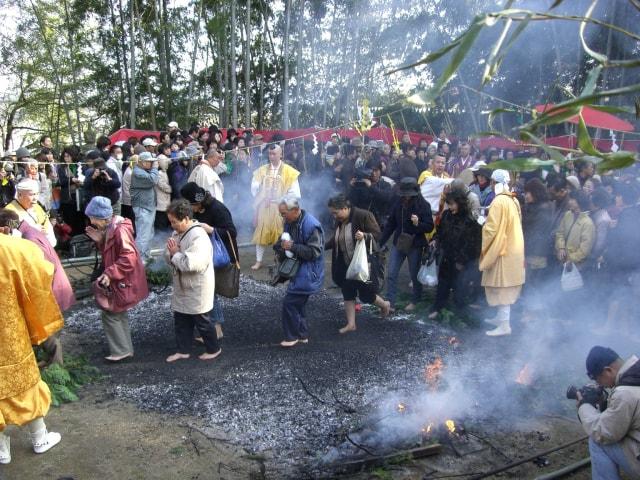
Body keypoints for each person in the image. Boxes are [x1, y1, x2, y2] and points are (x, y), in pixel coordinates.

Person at [0, 229, 64, 464]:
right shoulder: (10, 247)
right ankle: (39, 437)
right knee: (24, 382)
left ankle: (2, 449)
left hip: (8, 331)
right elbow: (41, 269)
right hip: (8, 333)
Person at [85, 196, 149, 363]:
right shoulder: (114, 228)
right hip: (123, 279)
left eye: (93, 218)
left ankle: (121, 351)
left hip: (122, 280)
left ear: (103, 218)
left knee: (111, 312)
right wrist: (101, 241)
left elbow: (129, 257)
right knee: (118, 312)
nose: (92, 222)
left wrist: (110, 273)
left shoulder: (119, 230)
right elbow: (115, 252)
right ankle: (124, 349)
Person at [164, 199, 221, 362]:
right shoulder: (177, 233)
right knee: (181, 319)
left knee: (202, 321)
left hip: (197, 286)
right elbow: (167, 253)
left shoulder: (199, 236)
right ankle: (183, 350)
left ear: (187, 218)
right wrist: (172, 254)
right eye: (171, 222)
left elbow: (192, 263)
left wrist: (175, 254)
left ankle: (214, 348)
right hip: (182, 286)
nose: (172, 226)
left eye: (175, 222)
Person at [180, 182, 238, 340]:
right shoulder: (199, 209)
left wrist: (210, 229)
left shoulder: (218, 209)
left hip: (219, 256)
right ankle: (212, 327)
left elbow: (232, 232)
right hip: (206, 255)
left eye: (189, 206)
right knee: (208, 292)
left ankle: (217, 329)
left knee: (209, 292)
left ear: (196, 203)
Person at [325, 194, 391, 333]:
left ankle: (384, 305)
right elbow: (337, 238)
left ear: (344, 208)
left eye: (335, 213)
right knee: (347, 291)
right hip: (345, 264)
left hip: (363, 264)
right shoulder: (340, 220)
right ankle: (351, 324)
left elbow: (378, 235)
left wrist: (365, 236)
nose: (334, 216)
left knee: (366, 295)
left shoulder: (363, 215)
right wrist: (322, 246)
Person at [577, 346, 640, 480]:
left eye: (597, 379)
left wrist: (584, 405)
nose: (601, 385)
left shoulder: (625, 393)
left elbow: (603, 433)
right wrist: (604, 402)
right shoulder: (635, 376)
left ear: (608, 371)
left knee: (597, 441)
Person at [273, 196, 325, 347]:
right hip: (301, 271)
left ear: (295, 210)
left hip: (309, 272)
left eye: (283, 214)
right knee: (298, 304)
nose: (282, 217)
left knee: (290, 303)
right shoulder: (290, 221)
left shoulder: (312, 225)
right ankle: (302, 335)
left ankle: (292, 337)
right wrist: (279, 246)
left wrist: (292, 247)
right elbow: (282, 242)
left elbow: (314, 252)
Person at [480, 170, 525, 337]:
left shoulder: (499, 201)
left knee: (503, 286)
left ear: (493, 182)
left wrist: (482, 226)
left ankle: (505, 325)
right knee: (504, 285)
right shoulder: (513, 199)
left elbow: (492, 229)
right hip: (514, 247)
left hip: (502, 249)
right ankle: (501, 318)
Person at [379, 177, 434, 312]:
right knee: (391, 272)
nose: (406, 197)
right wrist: (380, 241)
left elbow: (429, 226)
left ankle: (415, 299)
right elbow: (391, 223)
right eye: (404, 194)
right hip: (399, 242)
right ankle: (390, 302)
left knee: (414, 274)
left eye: (409, 194)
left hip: (415, 244)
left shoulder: (423, 205)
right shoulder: (398, 203)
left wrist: (418, 224)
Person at [428, 189, 481, 319]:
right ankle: (438, 307)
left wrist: (462, 260)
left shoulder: (470, 220)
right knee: (443, 284)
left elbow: (474, 244)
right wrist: (435, 239)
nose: (450, 207)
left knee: (460, 287)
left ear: (460, 203)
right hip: (446, 256)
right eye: (449, 204)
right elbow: (439, 231)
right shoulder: (446, 215)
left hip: (461, 261)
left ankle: (460, 312)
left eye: (452, 204)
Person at [250, 144, 300, 270]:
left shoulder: (289, 171)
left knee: (281, 234)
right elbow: (254, 187)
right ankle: (258, 260)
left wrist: (284, 200)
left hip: (281, 208)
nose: (271, 156)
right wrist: (260, 190)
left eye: (274, 154)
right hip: (265, 206)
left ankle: (280, 258)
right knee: (261, 233)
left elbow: (295, 192)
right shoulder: (262, 170)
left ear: (281, 154)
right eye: (270, 154)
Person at [521, 178, 554, 321]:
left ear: (537, 193)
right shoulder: (536, 207)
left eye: (529, 192)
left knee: (532, 283)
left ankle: (532, 314)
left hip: (536, 253)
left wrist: (526, 251)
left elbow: (536, 235)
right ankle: (530, 312)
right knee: (530, 282)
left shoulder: (543, 210)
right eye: (525, 192)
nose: (526, 195)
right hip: (531, 251)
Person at [5, 178, 56, 247]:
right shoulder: (9, 211)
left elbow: (47, 227)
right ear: (20, 195)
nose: (35, 198)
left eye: (37, 194)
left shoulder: (37, 207)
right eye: (32, 195)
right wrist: (32, 231)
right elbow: (10, 236)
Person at [130, 151, 159, 259]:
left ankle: (146, 255)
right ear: (141, 162)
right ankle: (139, 260)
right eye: (149, 162)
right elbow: (153, 180)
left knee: (149, 233)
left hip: (148, 206)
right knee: (143, 235)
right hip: (143, 207)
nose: (151, 164)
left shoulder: (143, 170)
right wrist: (155, 168)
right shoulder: (138, 172)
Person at [154, 155, 172, 230]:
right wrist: (171, 189)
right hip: (160, 202)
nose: (167, 164)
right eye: (165, 162)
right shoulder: (159, 173)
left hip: (165, 201)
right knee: (161, 222)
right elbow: (163, 186)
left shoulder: (164, 172)